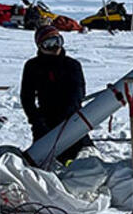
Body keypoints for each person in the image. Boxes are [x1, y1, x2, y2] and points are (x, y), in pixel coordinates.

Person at [20, 24, 90, 165]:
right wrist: (37, 122)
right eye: (49, 44)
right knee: (42, 162)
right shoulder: (33, 66)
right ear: (40, 46)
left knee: (83, 160)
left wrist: (72, 118)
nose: (55, 47)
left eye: (57, 41)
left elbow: (78, 93)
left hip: (72, 121)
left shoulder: (72, 65)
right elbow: (27, 98)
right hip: (46, 122)